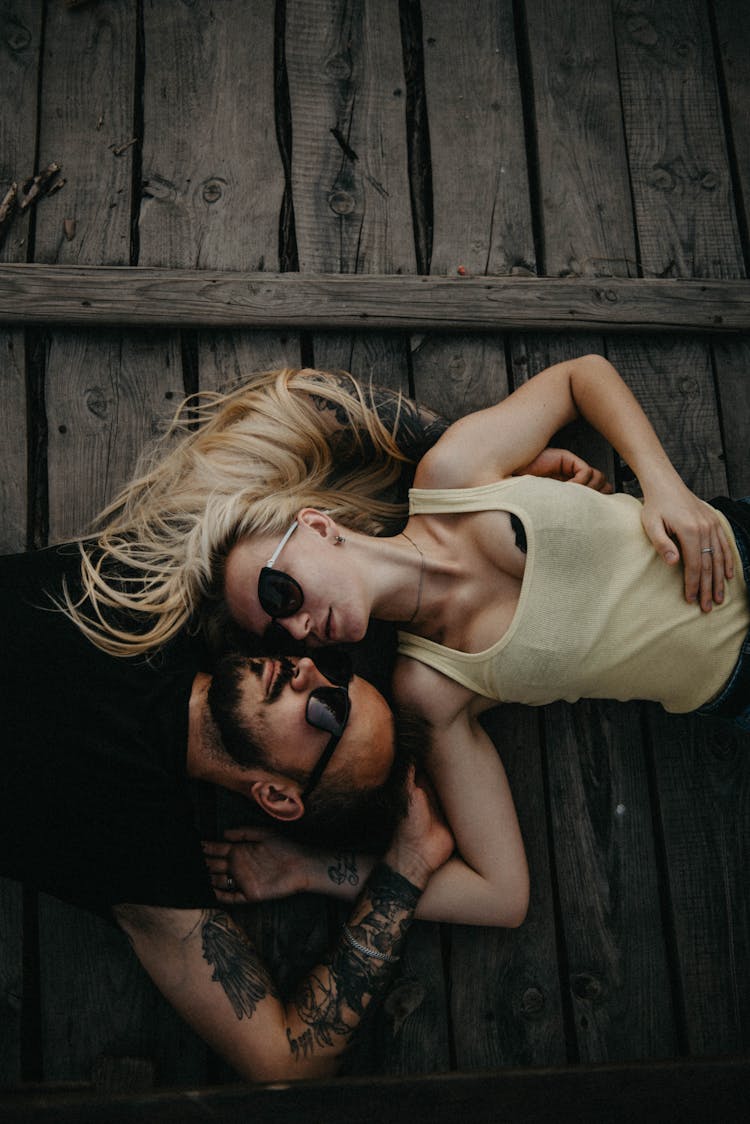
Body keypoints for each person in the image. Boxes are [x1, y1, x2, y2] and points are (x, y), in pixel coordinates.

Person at [212, 354, 749, 923]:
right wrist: (307, 870)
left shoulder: (452, 474)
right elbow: (501, 895)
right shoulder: (430, 687)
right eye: (280, 637)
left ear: (317, 527)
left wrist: (665, 486)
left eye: (280, 595)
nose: (297, 629)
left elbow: (581, 377)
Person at [0, 542, 453, 1082]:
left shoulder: (144, 850)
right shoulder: (171, 594)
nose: (308, 667)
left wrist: (406, 870)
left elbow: (287, 1057)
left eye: (329, 711)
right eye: (335, 668)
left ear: (279, 797)